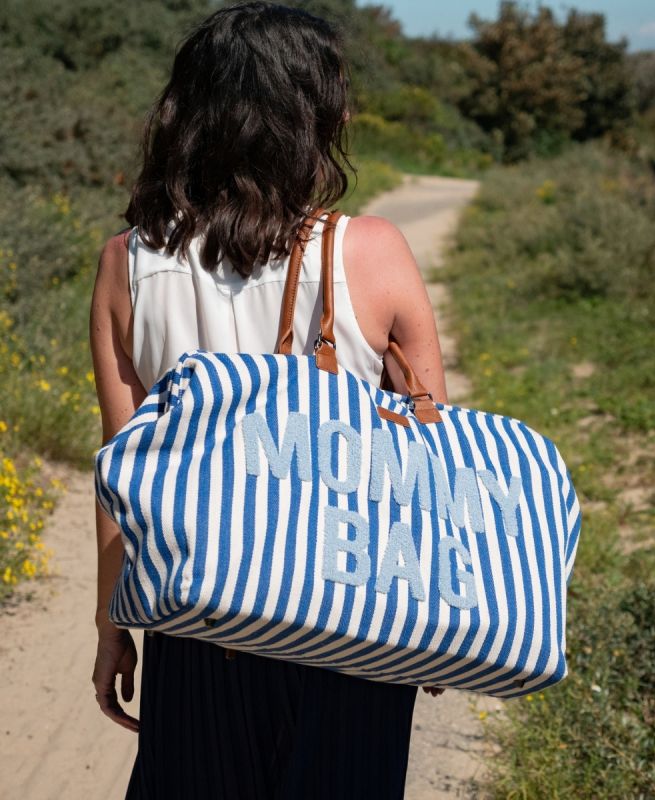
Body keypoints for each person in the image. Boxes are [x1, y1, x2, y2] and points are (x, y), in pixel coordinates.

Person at [88, 3, 448, 798]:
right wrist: (428, 631)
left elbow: (122, 476)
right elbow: (426, 473)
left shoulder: (127, 265)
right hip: (351, 624)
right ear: (309, 115)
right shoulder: (374, 251)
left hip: (198, 623)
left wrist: (113, 623)